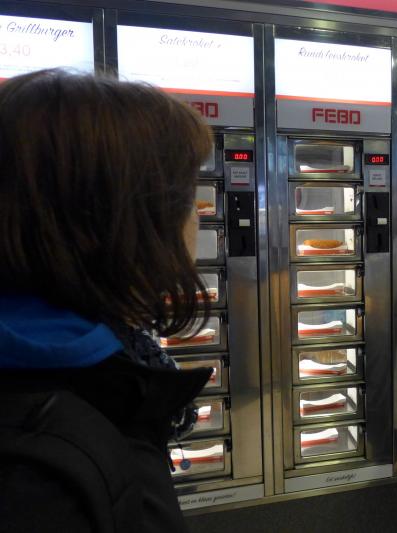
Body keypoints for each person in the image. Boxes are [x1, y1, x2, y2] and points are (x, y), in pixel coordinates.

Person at [0, 69, 214, 532]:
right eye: (188, 200)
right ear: (127, 224)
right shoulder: (44, 469)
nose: (196, 220)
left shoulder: (80, 382)